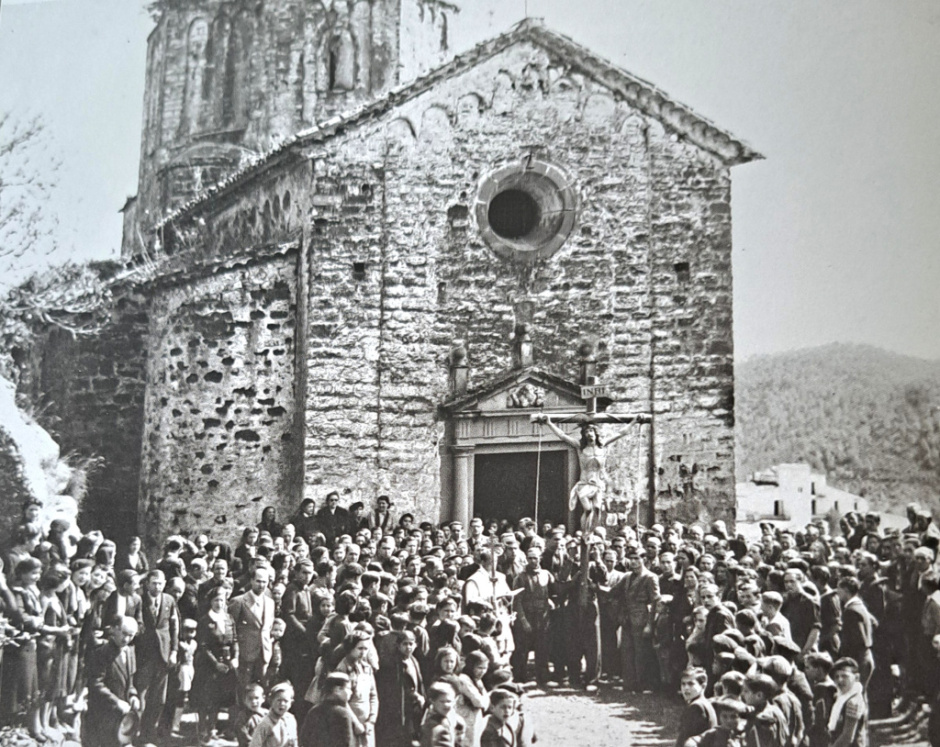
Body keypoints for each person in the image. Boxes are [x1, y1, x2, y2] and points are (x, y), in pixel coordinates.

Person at [534, 416, 634, 534]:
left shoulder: (603, 446)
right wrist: (549, 423)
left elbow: (621, 433)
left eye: (591, 431)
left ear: (595, 433)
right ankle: (585, 532)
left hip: (598, 484)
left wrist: (634, 421)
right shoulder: (580, 447)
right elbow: (562, 436)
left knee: (597, 509)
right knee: (588, 510)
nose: (589, 434)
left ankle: (592, 532)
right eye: (586, 432)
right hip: (585, 484)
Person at [135, 569, 180, 742]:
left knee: (158, 699)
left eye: (160, 583)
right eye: (154, 583)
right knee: (141, 696)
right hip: (144, 655)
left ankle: (148, 734)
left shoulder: (169, 600)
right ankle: (134, 732)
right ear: (147, 583)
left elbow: (175, 628)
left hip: (164, 655)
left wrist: (174, 651)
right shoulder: (139, 599)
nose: (157, 586)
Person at [83, 616, 141, 747]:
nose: (126, 639)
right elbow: (96, 684)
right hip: (103, 715)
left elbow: (130, 681)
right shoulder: (101, 652)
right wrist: (116, 701)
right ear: (115, 630)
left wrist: (133, 695)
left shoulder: (130, 652)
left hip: (123, 718)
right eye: (124, 634)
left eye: (131, 636)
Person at [192, 585, 239, 742]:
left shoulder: (229, 618)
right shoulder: (205, 620)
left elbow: (235, 641)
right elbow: (203, 646)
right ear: (211, 602)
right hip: (209, 665)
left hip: (226, 665)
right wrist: (215, 664)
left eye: (222, 600)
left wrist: (235, 657)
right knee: (207, 699)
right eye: (216, 600)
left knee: (220, 698)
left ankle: (213, 728)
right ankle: (204, 730)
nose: (219, 603)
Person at [229, 566, 276, 710]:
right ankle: (237, 725)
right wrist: (234, 653)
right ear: (251, 581)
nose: (261, 585)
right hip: (245, 653)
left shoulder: (270, 602)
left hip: (263, 653)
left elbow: (267, 628)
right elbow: (230, 628)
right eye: (258, 581)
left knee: (261, 689)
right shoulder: (239, 601)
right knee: (243, 689)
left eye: (265, 582)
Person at [333, 630, 379, 747]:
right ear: (350, 648)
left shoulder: (367, 668)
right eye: (360, 648)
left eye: (366, 648)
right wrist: (356, 724)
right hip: (349, 724)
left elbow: (373, 696)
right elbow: (342, 701)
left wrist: (371, 721)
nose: (363, 652)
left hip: (367, 726)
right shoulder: (342, 670)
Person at [299, 672, 356, 747]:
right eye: (348, 688)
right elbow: (347, 743)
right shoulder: (343, 714)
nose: (351, 692)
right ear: (337, 690)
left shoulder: (313, 711)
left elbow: (303, 739)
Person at [829, 657, 867, 747]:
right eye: (837, 677)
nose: (840, 680)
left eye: (844, 676)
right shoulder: (841, 698)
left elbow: (847, 737)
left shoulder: (854, 701)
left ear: (856, 677)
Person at [675, 667, 717, 747]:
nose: (686, 688)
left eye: (691, 684)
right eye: (683, 684)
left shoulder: (696, 707)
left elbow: (688, 738)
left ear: (703, 686)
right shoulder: (705, 702)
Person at [249, 682, 298, 747]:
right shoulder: (265, 723)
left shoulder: (291, 719)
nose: (282, 704)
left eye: (286, 701)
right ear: (271, 700)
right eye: (279, 700)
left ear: (291, 703)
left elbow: (294, 741)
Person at [420, 681, 465, 747]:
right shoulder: (438, 727)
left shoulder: (449, 719)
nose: (446, 705)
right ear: (432, 701)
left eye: (449, 701)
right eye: (442, 701)